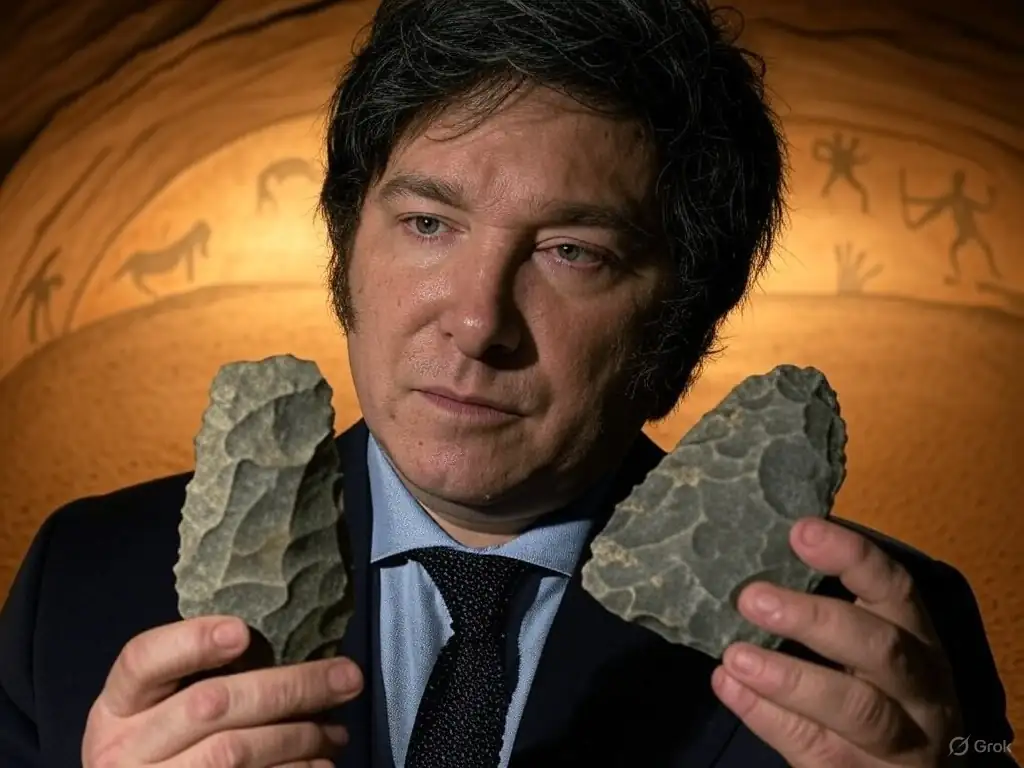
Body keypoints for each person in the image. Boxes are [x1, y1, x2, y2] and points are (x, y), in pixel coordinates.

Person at [0, 0, 1016, 766]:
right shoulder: (83, 585)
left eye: (573, 252)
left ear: (684, 324)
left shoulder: (886, 643)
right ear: (345, 249)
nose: (478, 320)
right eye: (428, 224)